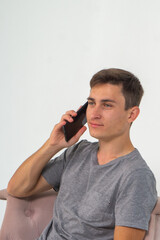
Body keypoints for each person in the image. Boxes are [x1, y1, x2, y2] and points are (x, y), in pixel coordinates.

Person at [7, 68, 157, 240]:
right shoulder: (78, 152)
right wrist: (53, 145)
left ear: (132, 114)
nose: (94, 114)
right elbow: (16, 189)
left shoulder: (136, 176)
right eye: (92, 103)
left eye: (107, 105)